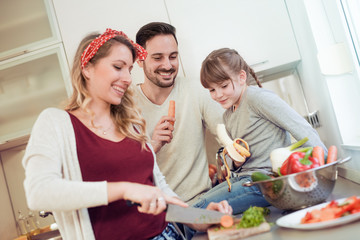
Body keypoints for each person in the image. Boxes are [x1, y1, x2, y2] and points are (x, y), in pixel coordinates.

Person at [22, 29, 232, 240]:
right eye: (118, 67)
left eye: (130, 69)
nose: (127, 78)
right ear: (87, 68)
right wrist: (124, 189)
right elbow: (38, 193)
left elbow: (161, 196)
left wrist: (202, 218)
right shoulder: (56, 123)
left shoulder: (132, 125)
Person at [198, 47, 328, 209]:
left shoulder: (257, 98)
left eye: (223, 86)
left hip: (267, 183)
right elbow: (236, 161)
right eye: (212, 90)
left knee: (202, 207)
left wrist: (325, 171)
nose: (218, 95)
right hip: (242, 179)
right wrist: (236, 163)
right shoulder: (228, 115)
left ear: (241, 77)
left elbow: (301, 128)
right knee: (199, 203)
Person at [134, 22, 225, 205]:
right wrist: (153, 145)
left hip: (202, 201)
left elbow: (229, 135)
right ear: (139, 59)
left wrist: (229, 164)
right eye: (158, 58)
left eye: (173, 56)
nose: (167, 65)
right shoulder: (125, 106)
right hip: (160, 210)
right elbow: (127, 171)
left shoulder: (196, 90)